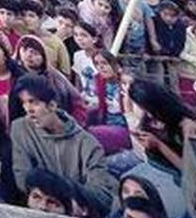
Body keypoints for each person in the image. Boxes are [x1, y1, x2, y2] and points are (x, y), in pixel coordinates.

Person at [10, 75, 116, 210]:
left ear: (52, 105)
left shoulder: (88, 145)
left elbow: (102, 197)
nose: (28, 110)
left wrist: (62, 190)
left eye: (34, 102)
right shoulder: (20, 129)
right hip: (37, 209)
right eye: (24, 103)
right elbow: (22, 178)